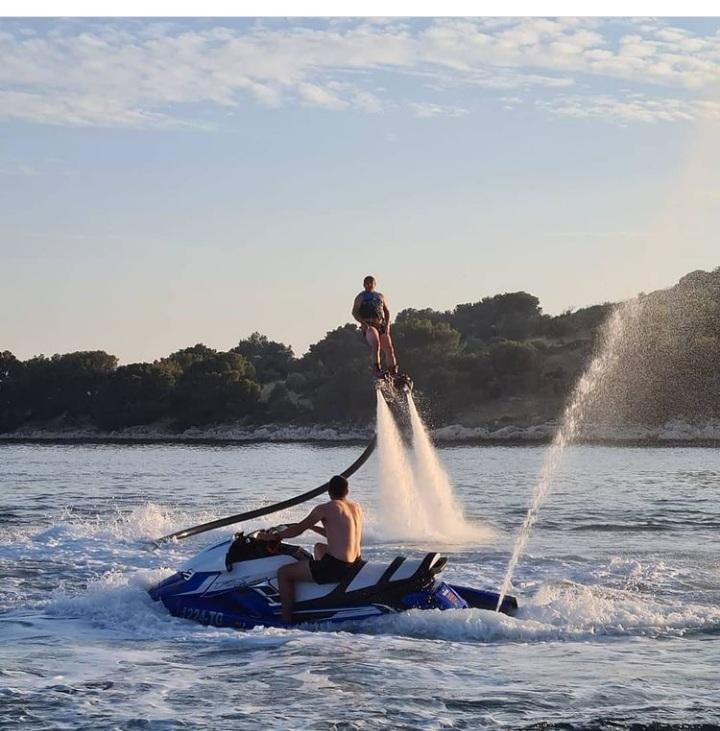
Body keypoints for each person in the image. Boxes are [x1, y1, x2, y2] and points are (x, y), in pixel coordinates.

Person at [257, 475, 363, 624]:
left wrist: (273, 536)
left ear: (329, 492)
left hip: (336, 567)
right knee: (319, 547)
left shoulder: (324, 508)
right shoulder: (356, 508)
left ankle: (286, 621)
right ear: (347, 491)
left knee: (284, 573)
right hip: (354, 563)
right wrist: (313, 528)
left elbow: (297, 530)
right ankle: (320, 591)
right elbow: (340, 535)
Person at [352, 275, 398, 378]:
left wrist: (387, 325)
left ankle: (393, 372)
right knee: (376, 343)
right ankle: (377, 369)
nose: (369, 285)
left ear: (374, 284)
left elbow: (387, 311)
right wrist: (362, 322)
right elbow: (354, 312)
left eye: (371, 283)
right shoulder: (360, 297)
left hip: (381, 324)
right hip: (369, 325)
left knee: (389, 348)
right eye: (367, 283)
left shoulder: (380, 296)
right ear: (364, 285)